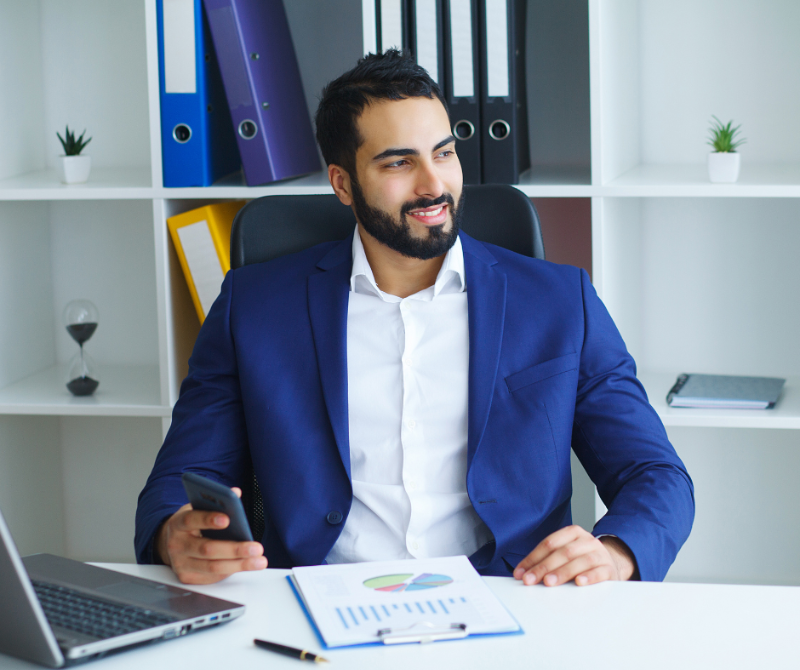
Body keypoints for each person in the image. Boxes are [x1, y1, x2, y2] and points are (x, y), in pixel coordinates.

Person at [135, 50, 694, 587]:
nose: (433, 184)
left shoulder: (557, 301)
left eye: (443, 153)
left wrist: (617, 554)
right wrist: (172, 534)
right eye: (399, 162)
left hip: (511, 598)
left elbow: (655, 474)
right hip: (319, 602)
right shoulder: (253, 308)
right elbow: (178, 479)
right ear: (343, 183)